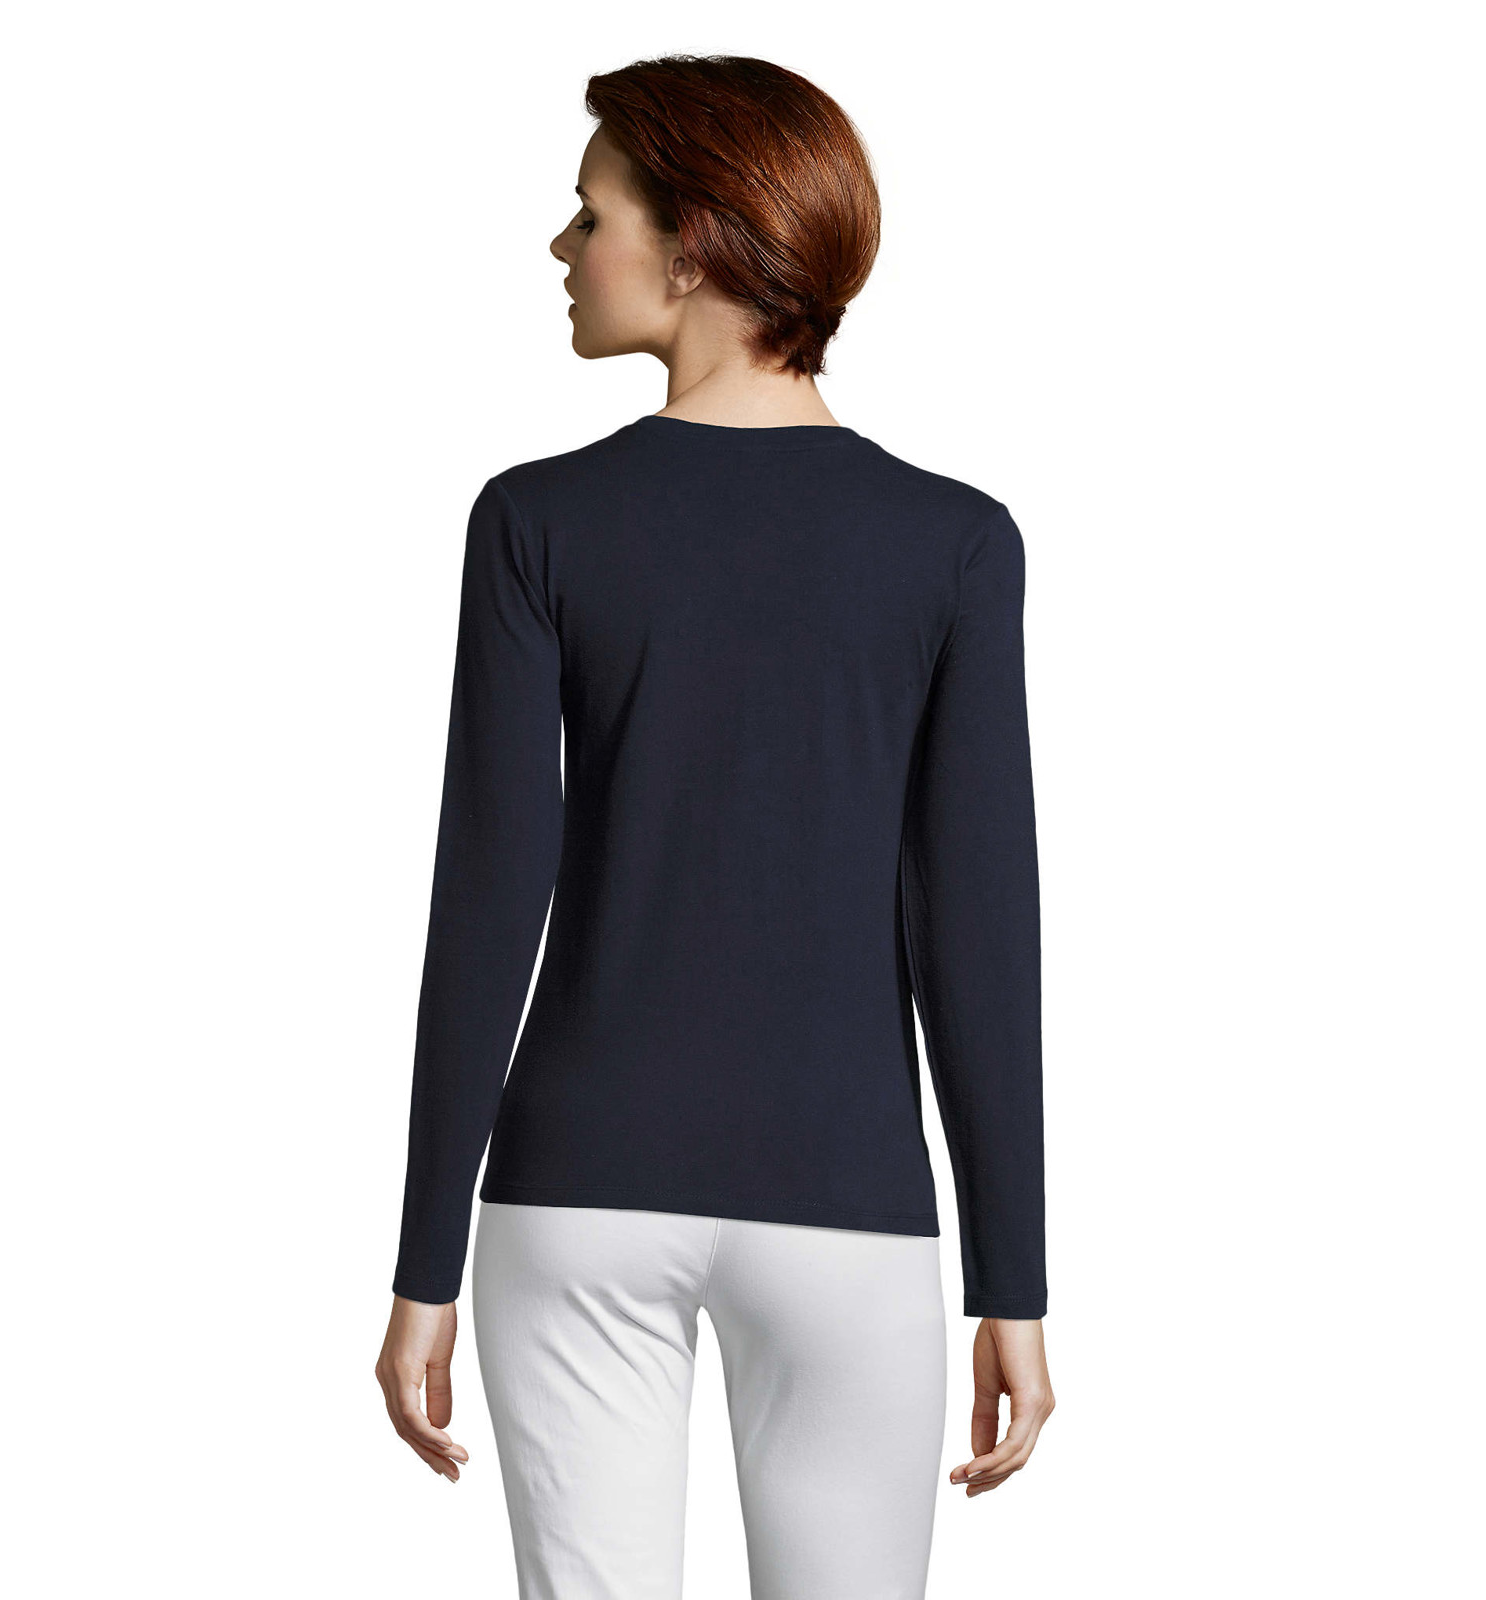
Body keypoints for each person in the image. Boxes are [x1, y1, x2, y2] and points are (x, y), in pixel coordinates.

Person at [375, 52, 1054, 1599]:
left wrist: (422, 1264)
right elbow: (975, 923)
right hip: (847, 1206)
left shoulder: (537, 521)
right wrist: (1009, 1282)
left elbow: (487, 897)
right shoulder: (953, 543)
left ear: (689, 245)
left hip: (575, 1191)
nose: (562, 246)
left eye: (588, 212)